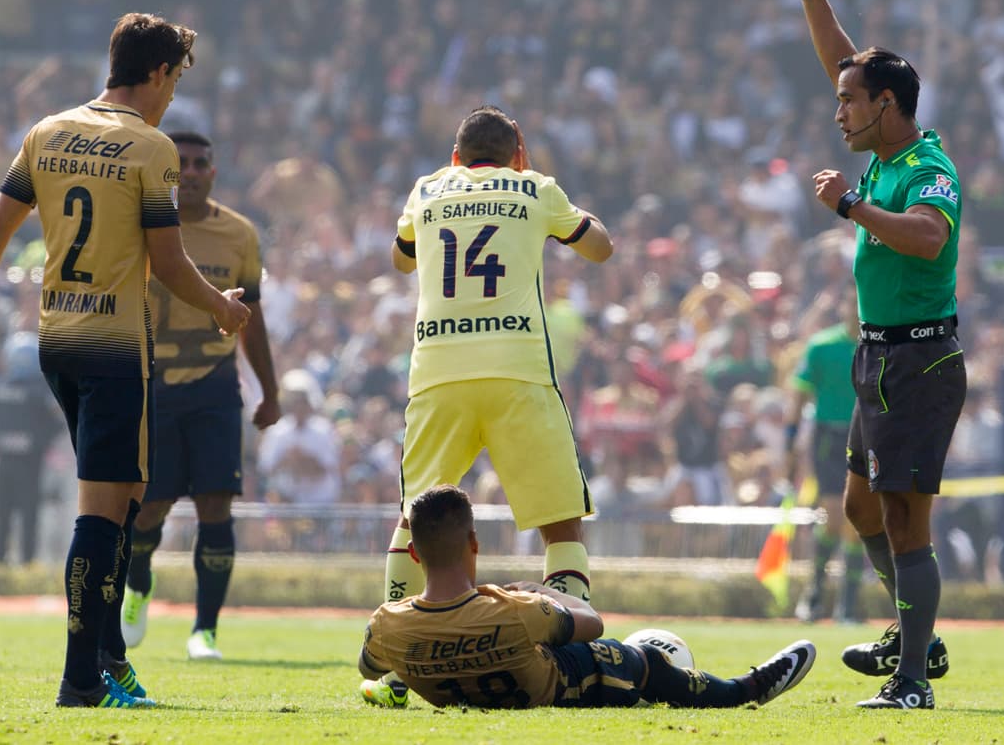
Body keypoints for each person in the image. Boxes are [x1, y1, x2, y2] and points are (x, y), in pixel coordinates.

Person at [0, 13, 252, 709]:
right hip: (115, 346)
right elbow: (170, 262)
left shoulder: (46, 132)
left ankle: (110, 658)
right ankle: (81, 681)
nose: (172, 95)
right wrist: (221, 309)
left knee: (127, 497)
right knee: (103, 515)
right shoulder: (151, 147)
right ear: (158, 73)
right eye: (175, 80)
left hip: (57, 342)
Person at [362, 105, 613, 708]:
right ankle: (567, 654)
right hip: (517, 372)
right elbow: (601, 248)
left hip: (438, 374)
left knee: (414, 517)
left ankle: (392, 670)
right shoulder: (536, 188)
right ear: (517, 156)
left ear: (456, 157)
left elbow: (400, 258)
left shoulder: (427, 189)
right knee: (561, 522)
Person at [789, 0, 967, 710]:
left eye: (849, 104)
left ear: (886, 107)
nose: (838, 112)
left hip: (920, 364)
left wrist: (850, 207)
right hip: (879, 358)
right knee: (861, 510)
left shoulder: (927, 168)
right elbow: (845, 62)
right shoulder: (885, 151)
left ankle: (913, 679)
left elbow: (927, 236)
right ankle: (917, 635)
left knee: (901, 519)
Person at [358, 484, 816, 710]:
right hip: (557, 688)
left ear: (413, 553)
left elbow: (368, 668)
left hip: (461, 694)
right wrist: (544, 592)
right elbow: (592, 624)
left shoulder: (386, 625)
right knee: (635, 658)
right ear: (474, 543)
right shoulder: (515, 610)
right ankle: (744, 690)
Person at [120, 131, 280, 662]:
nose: (189, 172)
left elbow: (252, 317)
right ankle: (137, 583)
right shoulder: (140, 224)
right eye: (181, 163)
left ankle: (205, 631)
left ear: (212, 172)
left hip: (215, 383)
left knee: (216, 505)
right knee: (149, 508)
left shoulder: (239, 232)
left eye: (199, 164)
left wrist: (270, 391)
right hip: (153, 383)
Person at [788, 288, 866, 623]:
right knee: (833, 516)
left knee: (857, 521)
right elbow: (799, 395)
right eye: (853, 303)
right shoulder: (822, 345)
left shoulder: (880, 347)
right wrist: (790, 441)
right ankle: (815, 594)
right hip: (829, 439)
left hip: (866, 437)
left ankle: (848, 606)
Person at [0, 330, 62, 565]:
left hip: (5, 460)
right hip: (30, 463)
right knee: (28, 513)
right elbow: (56, 422)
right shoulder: (41, 391)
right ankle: (26, 562)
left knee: (3, 511)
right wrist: (41, 442)